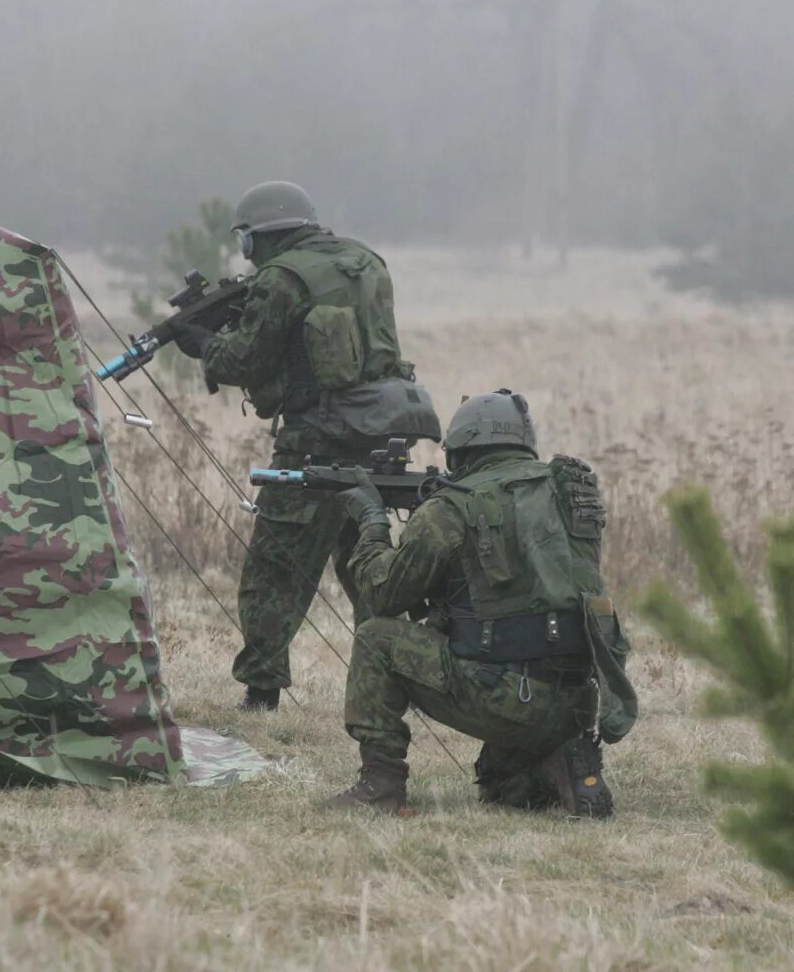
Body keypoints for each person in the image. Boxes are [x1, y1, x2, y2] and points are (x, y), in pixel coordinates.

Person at [174, 181, 440, 710]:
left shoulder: (281, 279)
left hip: (315, 439)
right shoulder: (367, 262)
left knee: (276, 568)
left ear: (262, 237)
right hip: (380, 432)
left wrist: (204, 343)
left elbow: (245, 361)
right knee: (367, 561)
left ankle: (262, 691)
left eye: (247, 242)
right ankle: (395, 678)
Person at [330, 390, 639, 816]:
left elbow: (383, 594)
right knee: (505, 790)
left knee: (374, 639)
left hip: (503, 698)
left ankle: (380, 786)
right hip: (575, 703)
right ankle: (564, 760)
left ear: (462, 447)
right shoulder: (573, 495)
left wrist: (371, 522)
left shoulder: (451, 508)